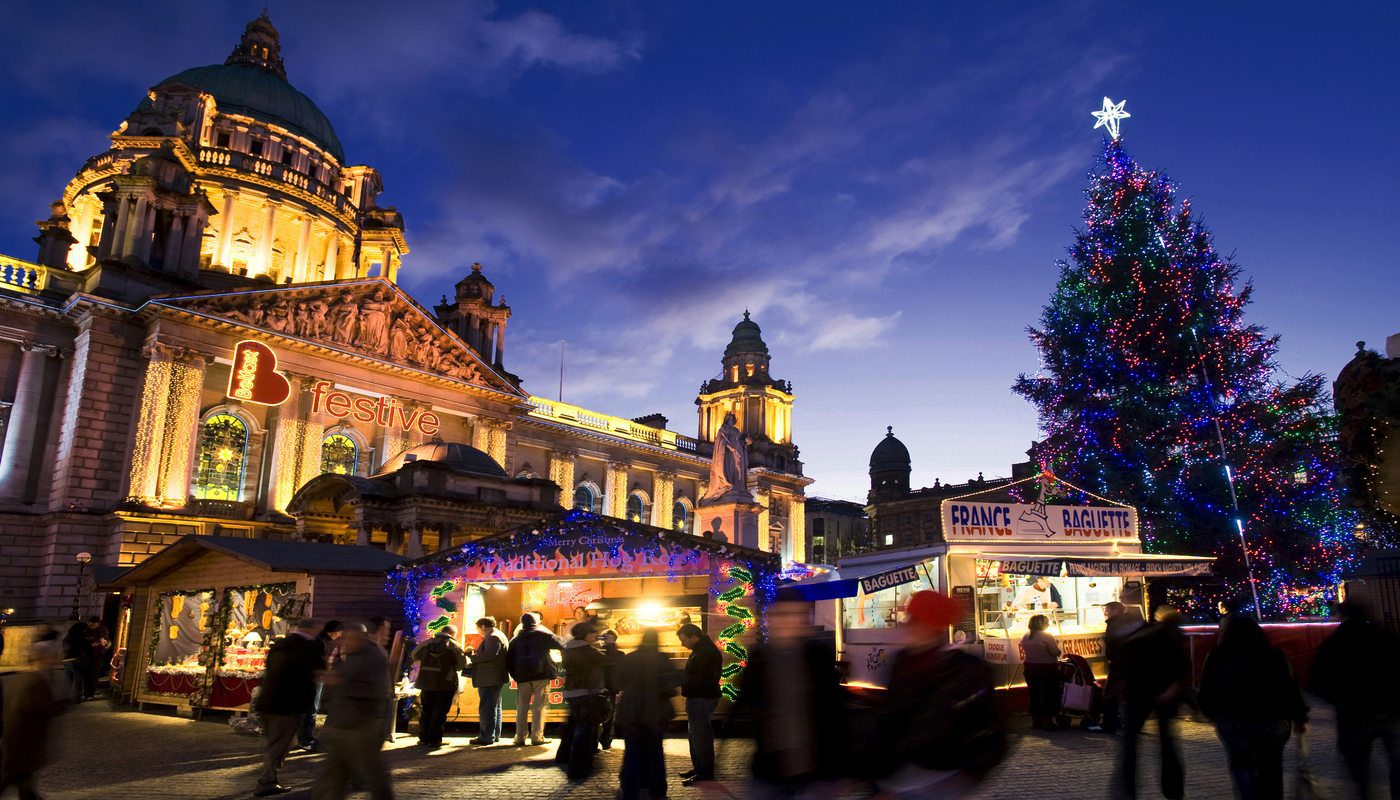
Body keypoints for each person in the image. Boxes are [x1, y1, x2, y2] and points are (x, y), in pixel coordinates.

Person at [877, 590, 1006, 798]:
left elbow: (991, 726)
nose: (906, 625)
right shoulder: (901, 662)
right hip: (902, 775)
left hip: (945, 777)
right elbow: (890, 720)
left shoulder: (967, 669)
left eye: (913, 620)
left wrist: (971, 770)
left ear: (930, 625)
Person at [734, 595, 848, 799]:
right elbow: (741, 704)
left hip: (814, 769)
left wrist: (842, 769)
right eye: (785, 615)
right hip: (770, 768)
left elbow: (836, 711)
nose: (793, 621)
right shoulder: (760, 657)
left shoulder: (818, 656)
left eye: (800, 615)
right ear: (772, 618)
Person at [1198, 614, 1307, 800]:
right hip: (1272, 720)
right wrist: (1299, 717)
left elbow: (1207, 689)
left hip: (1234, 719)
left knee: (1242, 767)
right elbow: (1290, 687)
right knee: (1271, 769)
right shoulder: (1274, 655)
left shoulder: (1218, 655)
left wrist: (1212, 715)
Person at [1309, 600, 1400, 799]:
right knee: (1396, 759)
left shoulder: (1334, 642)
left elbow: (1317, 680)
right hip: (1389, 708)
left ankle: (1365, 792)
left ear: (1343, 615)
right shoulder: (1384, 637)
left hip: (1353, 712)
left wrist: (1338, 698)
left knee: (1358, 764)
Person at [1113, 604, 1190, 800]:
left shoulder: (1141, 635)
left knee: (1130, 744)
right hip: (1162, 694)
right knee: (1166, 742)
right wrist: (1173, 689)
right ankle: (1173, 790)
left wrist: (1121, 685)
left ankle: (1126, 791)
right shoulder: (1171, 636)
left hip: (1137, 693)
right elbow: (1181, 668)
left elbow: (1122, 663)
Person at [312, 624, 394, 800]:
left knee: (372, 771)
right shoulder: (355, 656)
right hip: (343, 724)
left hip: (361, 725)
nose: (345, 643)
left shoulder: (371, 657)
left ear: (359, 639)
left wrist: (338, 681)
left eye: (349, 639)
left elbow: (376, 691)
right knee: (334, 772)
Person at [254, 618, 326, 797]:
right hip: (288, 704)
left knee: (275, 742)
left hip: (269, 701)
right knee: (280, 744)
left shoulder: (280, 644)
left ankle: (268, 779)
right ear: (312, 629)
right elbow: (318, 673)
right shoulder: (309, 647)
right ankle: (267, 782)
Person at [1, 641, 68, 800]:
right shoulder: (38, 682)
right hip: (24, 745)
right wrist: (63, 704)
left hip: (14, 743)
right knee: (15, 780)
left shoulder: (20, 678)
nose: (54, 661)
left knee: (21, 783)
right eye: (52, 657)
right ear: (45, 658)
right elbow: (44, 709)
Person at [555, 622, 610, 781]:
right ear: (584, 634)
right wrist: (608, 645)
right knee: (583, 730)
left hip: (572, 691)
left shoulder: (568, 648)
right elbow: (610, 660)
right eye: (592, 633)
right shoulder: (587, 651)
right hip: (586, 690)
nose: (595, 636)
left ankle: (563, 756)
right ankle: (578, 767)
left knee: (574, 724)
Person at [506, 612, 562, 746]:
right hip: (541, 675)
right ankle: (537, 737)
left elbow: (508, 660)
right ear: (535, 622)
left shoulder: (515, 640)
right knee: (539, 706)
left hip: (522, 677)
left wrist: (516, 675)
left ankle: (520, 737)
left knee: (522, 706)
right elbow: (561, 644)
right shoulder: (543, 635)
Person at [677, 622, 722, 785]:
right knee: (695, 735)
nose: (683, 644)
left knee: (700, 735)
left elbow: (703, 678)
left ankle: (704, 772)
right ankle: (699, 769)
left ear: (694, 637)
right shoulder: (701, 650)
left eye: (684, 640)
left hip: (701, 697)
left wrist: (684, 680)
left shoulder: (706, 652)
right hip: (698, 697)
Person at [410, 624, 466, 749]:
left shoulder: (426, 643)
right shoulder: (454, 646)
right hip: (445, 683)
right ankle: (435, 740)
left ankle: (423, 738)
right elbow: (461, 665)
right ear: (452, 634)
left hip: (426, 682)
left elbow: (414, 655)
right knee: (440, 712)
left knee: (426, 710)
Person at [1102, 601, 1144, 735]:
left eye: (1108, 610)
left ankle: (1110, 724)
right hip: (1131, 664)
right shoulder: (1130, 622)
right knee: (1128, 695)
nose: (1106, 612)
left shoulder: (1114, 624)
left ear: (1116, 611)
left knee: (1110, 694)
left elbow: (1115, 644)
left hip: (1119, 664)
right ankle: (1132, 723)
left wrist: (1112, 657)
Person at [301, 620, 345, 750]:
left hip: (312, 678)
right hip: (315, 679)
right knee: (311, 709)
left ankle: (304, 738)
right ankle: (307, 740)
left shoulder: (319, 640)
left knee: (309, 708)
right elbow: (319, 662)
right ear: (335, 632)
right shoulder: (322, 642)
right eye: (340, 632)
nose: (341, 635)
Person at [466, 617, 509, 745]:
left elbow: (490, 655)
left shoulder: (493, 637)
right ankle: (493, 735)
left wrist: (472, 655)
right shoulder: (497, 635)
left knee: (487, 707)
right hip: (493, 677)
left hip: (490, 677)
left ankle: (486, 736)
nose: (478, 630)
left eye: (478, 628)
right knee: (494, 706)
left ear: (483, 626)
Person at [1021, 613, 1063, 730]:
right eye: (1046, 622)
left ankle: (1036, 721)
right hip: (1046, 668)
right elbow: (1055, 652)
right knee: (1049, 694)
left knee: (1034, 694)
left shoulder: (1026, 636)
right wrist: (1057, 646)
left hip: (1029, 668)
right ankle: (1048, 721)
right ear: (1041, 624)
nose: (1048, 623)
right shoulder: (1046, 636)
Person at [597, 628, 623, 750]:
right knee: (607, 716)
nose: (606, 640)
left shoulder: (617, 654)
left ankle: (605, 740)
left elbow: (621, 672)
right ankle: (604, 741)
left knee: (608, 716)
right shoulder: (598, 652)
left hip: (608, 687)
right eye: (605, 638)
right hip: (605, 687)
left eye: (609, 638)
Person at [61, 618, 90, 701]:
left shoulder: (67, 637)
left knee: (68, 679)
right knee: (78, 678)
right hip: (74, 659)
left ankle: (65, 697)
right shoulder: (78, 637)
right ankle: (77, 697)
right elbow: (84, 647)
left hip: (66, 660)